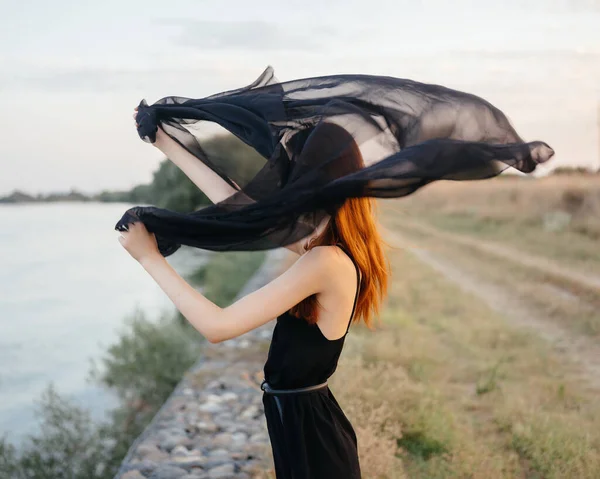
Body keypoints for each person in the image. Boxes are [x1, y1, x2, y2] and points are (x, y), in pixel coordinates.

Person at [118, 109, 390, 478]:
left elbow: (218, 326)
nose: (283, 186)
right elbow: (241, 210)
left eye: (292, 176)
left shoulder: (326, 259)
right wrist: (165, 141)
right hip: (303, 426)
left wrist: (149, 258)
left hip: (314, 440)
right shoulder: (325, 245)